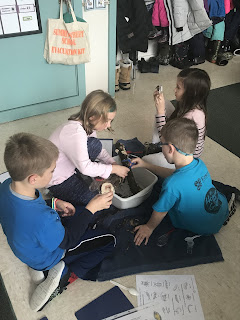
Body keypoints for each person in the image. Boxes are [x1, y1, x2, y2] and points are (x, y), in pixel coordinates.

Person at [0, 133, 116, 312]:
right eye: (52, 171)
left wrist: (55, 203)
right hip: (50, 254)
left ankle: (37, 266)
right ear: (34, 179)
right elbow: (67, 241)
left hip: (27, 247)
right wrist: (91, 209)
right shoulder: (42, 219)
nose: (54, 173)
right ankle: (63, 274)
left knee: (77, 214)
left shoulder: (6, 184)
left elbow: (31, 207)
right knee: (109, 239)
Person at [131, 118, 230, 246]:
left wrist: (149, 227)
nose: (161, 149)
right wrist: (146, 165)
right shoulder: (199, 164)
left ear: (170, 149)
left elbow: (160, 211)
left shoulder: (172, 185)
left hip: (206, 227)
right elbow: (175, 175)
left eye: (162, 145)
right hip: (221, 211)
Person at [144, 68, 211, 168]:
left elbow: (165, 138)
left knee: (145, 160)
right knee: (165, 104)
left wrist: (160, 112)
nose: (174, 90)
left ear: (191, 93)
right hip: (177, 145)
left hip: (183, 160)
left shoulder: (192, 117)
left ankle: (158, 147)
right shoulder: (194, 105)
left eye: (178, 88)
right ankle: (155, 146)